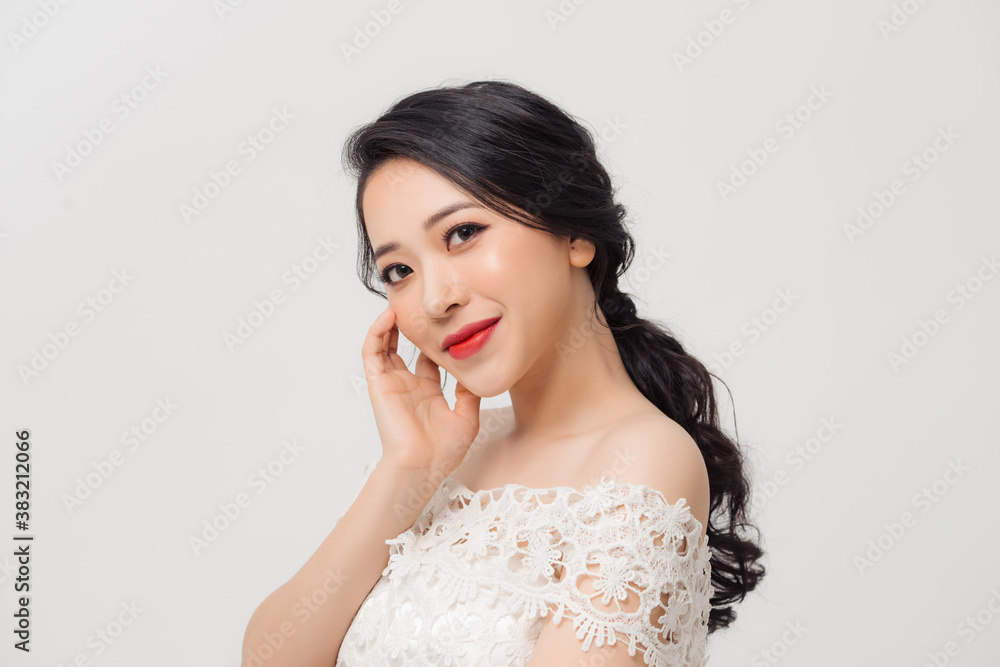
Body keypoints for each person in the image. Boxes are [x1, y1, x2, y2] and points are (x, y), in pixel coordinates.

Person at [242, 79, 765, 666]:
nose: (435, 299)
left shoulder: (643, 461)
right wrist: (406, 471)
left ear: (574, 235)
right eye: (398, 271)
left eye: (462, 234)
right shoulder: (445, 454)